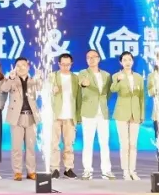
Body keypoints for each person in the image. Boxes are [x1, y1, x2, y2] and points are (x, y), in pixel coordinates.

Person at [1, 57, 41, 181]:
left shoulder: (33, 80)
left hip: (31, 116)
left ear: (28, 67)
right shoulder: (12, 79)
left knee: (30, 146)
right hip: (16, 117)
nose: (21, 68)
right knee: (16, 147)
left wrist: (39, 77)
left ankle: (31, 171)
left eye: (23, 65)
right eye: (18, 66)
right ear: (15, 68)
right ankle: (17, 172)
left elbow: (40, 88)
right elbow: (4, 89)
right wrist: (11, 78)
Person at [77, 49, 113, 180]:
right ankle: (87, 170)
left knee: (104, 142)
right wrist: (84, 83)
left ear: (99, 59)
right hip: (88, 111)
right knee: (88, 142)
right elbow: (82, 83)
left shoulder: (106, 75)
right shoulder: (83, 73)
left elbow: (108, 93)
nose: (91, 59)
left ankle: (106, 170)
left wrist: (102, 103)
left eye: (94, 57)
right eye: (88, 57)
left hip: (102, 112)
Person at [110, 51, 146, 180]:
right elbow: (113, 89)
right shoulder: (116, 75)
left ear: (133, 61)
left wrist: (142, 114)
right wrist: (118, 81)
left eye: (129, 60)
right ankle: (125, 171)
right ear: (121, 62)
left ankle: (132, 170)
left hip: (135, 113)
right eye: (124, 60)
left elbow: (142, 97)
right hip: (121, 112)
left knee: (133, 144)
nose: (127, 62)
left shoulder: (138, 77)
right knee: (124, 144)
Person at [49, 53, 80, 179]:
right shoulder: (52, 76)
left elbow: (78, 98)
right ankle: (54, 168)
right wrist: (51, 91)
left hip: (70, 116)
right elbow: (43, 92)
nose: (65, 67)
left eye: (68, 65)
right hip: (55, 116)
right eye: (63, 64)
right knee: (54, 144)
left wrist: (78, 116)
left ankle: (68, 168)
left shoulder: (75, 78)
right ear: (59, 64)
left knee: (69, 144)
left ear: (71, 64)